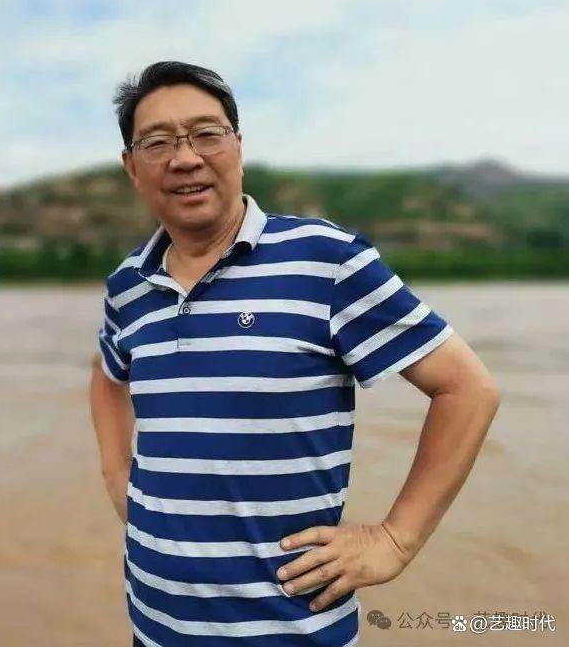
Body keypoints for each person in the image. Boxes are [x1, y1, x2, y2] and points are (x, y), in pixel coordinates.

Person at [89, 61, 500, 647]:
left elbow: (467, 388)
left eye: (206, 134)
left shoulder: (324, 260)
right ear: (132, 167)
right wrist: (117, 474)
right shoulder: (128, 285)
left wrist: (396, 539)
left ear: (237, 145)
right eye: (158, 143)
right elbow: (107, 375)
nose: (185, 158)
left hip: (293, 632)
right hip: (153, 627)